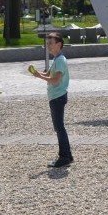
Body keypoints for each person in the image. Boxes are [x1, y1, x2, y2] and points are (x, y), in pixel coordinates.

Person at [29, 33, 73, 168]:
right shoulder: (57, 59)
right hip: (56, 97)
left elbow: (55, 80)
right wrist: (37, 74)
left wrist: (39, 76)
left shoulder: (60, 60)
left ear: (59, 45)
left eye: (50, 43)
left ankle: (64, 157)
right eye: (47, 43)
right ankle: (67, 155)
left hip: (58, 97)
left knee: (59, 127)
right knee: (59, 127)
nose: (48, 46)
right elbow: (49, 74)